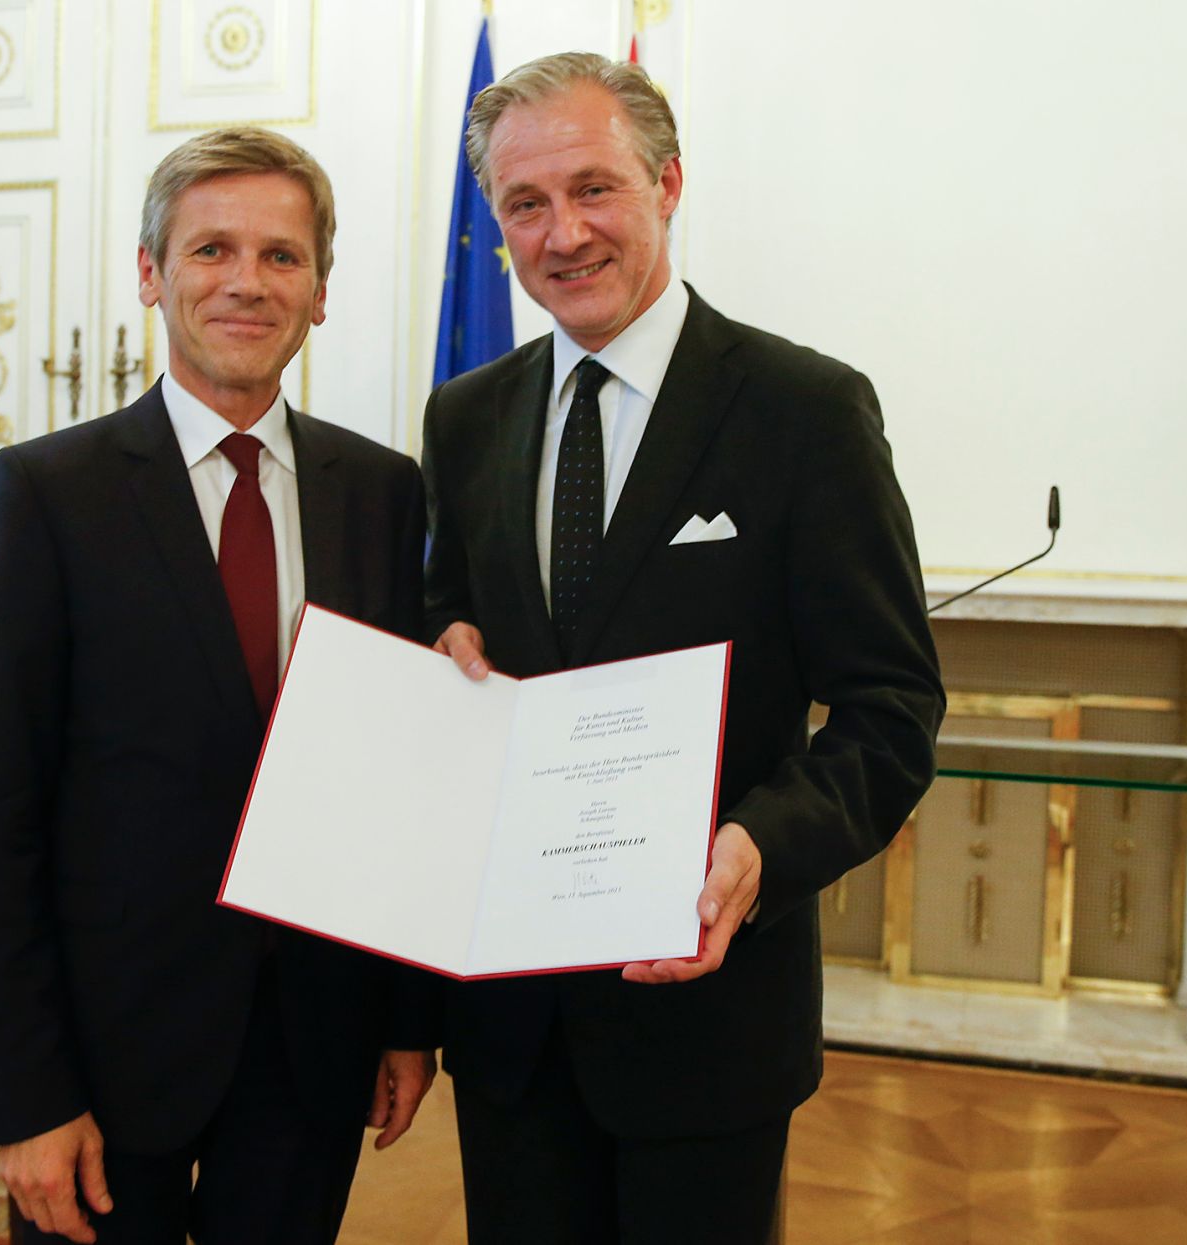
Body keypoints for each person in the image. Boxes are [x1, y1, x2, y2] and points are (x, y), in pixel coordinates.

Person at [422, 52, 945, 1243]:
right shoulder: (464, 419)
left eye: (593, 188)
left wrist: (760, 848)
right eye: (524, 204)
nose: (562, 233)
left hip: (708, 1024)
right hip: (508, 1024)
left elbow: (889, 706)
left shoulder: (802, 411)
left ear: (667, 184)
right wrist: (434, 652)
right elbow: (451, 630)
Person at [0, 126, 437, 1245]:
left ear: (320, 291)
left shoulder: (383, 493)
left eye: (281, 256)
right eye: (211, 249)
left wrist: (408, 1022)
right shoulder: (47, 494)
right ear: (149, 273)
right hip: (106, 1054)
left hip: (314, 1046)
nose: (245, 282)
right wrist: (25, 1096)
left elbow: (404, 787)